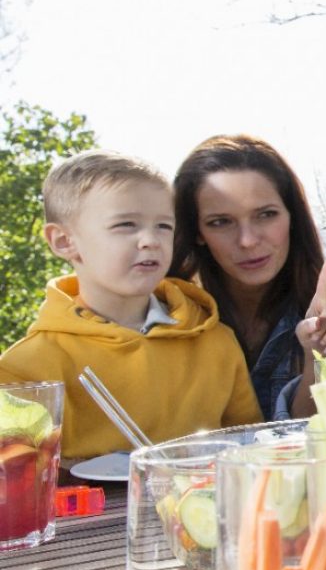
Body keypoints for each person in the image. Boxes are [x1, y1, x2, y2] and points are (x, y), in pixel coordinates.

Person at [0, 150, 263, 459]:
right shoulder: (24, 368)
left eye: (164, 226)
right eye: (126, 224)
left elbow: (249, 449)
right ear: (63, 241)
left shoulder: (217, 342)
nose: (150, 240)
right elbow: (19, 483)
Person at [172, 134, 326, 420]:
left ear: (292, 217)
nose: (247, 240)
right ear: (196, 231)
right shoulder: (170, 320)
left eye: (266, 215)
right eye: (220, 222)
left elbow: (315, 445)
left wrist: (318, 358)